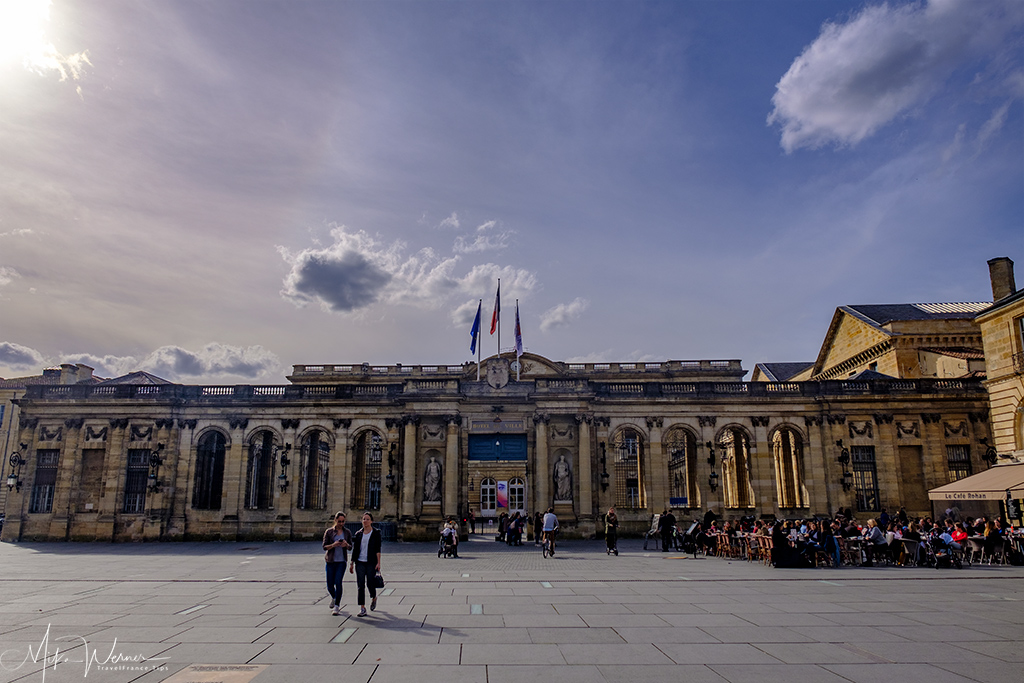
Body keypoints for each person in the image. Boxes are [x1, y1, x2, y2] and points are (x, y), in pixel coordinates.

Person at [349, 511, 382, 617]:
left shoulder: (376, 533)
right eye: (364, 519)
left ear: (371, 521)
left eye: (367, 519)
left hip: (371, 562)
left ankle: (374, 597)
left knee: (370, 583)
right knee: (360, 585)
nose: (365, 521)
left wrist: (378, 563)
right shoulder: (358, 534)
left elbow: (378, 549)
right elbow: (355, 550)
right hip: (360, 562)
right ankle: (362, 607)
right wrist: (351, 563)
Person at [323, 511, 352, 616]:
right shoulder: (329, 532)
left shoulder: (347, 532)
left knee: (338, 582)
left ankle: (337, 606)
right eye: (339, 521)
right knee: (330, 585)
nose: (341, 523)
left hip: (341, 562)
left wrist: (346, 545)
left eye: (343, 521)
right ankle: (334, 597)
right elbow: (324, 546)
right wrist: (333, 545)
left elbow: (350, 547)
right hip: (330, 561)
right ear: (335, 520)